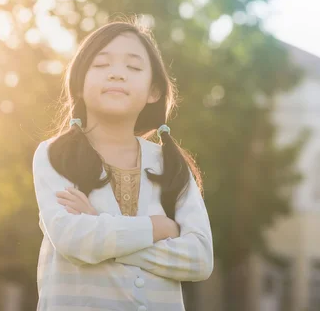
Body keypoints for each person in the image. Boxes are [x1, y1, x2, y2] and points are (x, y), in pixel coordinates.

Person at [32, 20, 214, 310]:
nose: (117, 74)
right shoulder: (56, 155)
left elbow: (200, 258)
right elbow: (73, 240)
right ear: (79, 84)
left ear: (153, 91)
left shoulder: (171, 165)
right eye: (101, 65)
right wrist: (156, 228)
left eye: (133, 68)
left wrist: (101, 226)